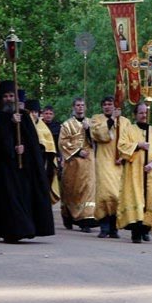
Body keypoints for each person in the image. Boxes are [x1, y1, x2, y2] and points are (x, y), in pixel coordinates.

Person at [0, 82, 55, 243]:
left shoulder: (24, 116)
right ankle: (12, 231)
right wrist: (10, 124)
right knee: (8, 199)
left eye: (11, 96)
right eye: (6, 96)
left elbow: (33, 142)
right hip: (4, 169)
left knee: (21, 198)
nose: (9, 99)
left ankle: (23, 229)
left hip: (23, 168)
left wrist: (25, 148)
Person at [117, 103, 152, 243]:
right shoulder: (129, 130)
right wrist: (138, 145)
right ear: (135, 114)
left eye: (145, 113)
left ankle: (146, 229)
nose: (143, 115)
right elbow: (121, 147)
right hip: (134, 173)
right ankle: (136, 233)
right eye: (140, 113)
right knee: (136, 200)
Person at [89, 96, 134, 239]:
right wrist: (111, 120)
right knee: (104, 194)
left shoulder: (125, 122)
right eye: (105, 104)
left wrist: (124, 156)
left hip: (119, 163)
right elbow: (98, 135)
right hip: (103, 161)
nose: (107, 107)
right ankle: (104, 227)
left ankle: (114, 228)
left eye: (110, 104)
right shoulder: (96, 119)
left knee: (117, 195)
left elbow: (130, 141)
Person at [58, 97, 97, 232]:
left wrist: (88, 130)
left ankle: (86, 220)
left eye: (82, 105)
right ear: (73, 107)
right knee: (73, 190)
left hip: (89, 162)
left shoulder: (90, 123)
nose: (80, 107)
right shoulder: (67, 125)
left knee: (89, 189)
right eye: (78, 105)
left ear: (85, 108)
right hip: (73, 163)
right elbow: (62, 143)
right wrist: (77, 151)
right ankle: (68, 216)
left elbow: (97, 140)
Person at [27, 100, 59, 204]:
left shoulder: (47, 128)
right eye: (31, 112)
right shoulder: (23, 126)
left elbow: (51, 146)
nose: (33, 115)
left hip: (42, 162)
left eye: (35, 112)